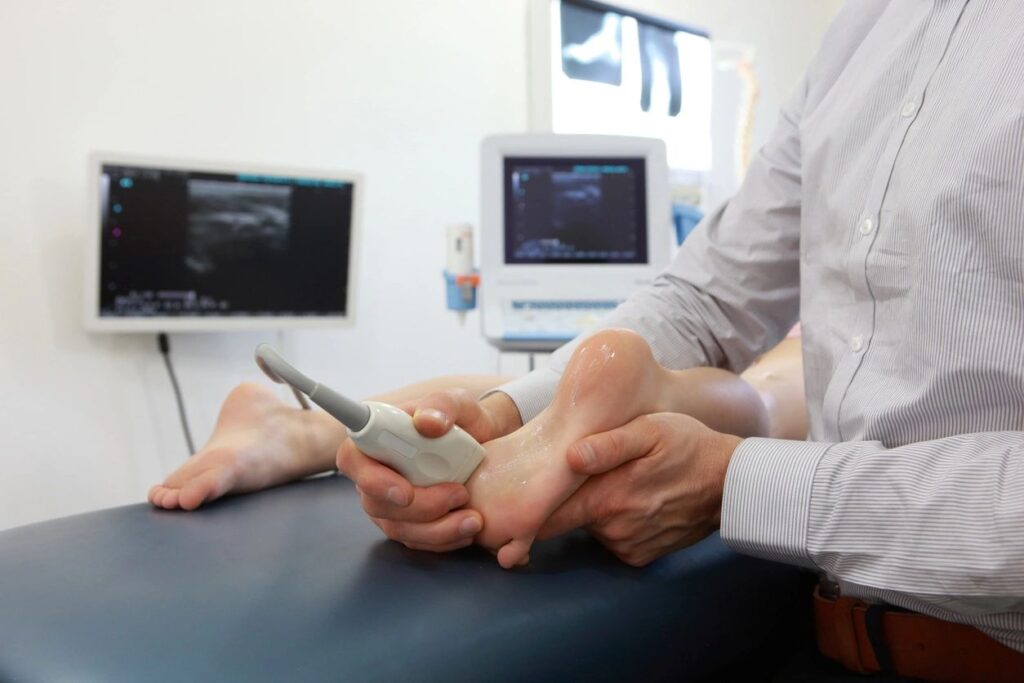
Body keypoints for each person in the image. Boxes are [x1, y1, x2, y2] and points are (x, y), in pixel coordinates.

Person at [153, 0, 1024, 676]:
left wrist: (735, 483)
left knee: (762, 396)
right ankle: (512, 429)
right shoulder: (864, 36)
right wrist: (506, 409)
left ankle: (310, 424)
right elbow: (705, 295)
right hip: (827, 638)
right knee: (743, 391)